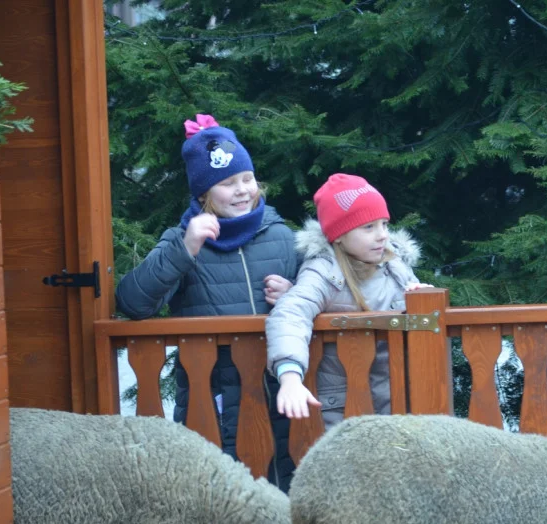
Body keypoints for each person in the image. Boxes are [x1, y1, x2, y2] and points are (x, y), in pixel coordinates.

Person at [116, 113, 298, 493]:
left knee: (286, 486)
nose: (242, 190)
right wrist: (186, 249)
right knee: (222, 500)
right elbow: (134, 303)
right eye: (227, 183)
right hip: (212, 399)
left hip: (282, 395)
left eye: (247, 179)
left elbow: (321, 296)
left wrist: (292, 292)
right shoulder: (181, 239)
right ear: (203, 195)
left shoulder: (281, 235)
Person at [265, 173, 431, 426]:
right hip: (345, 409)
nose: (382, 235)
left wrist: (421, 300)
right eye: (369, 227)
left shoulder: (394, 264)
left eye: (384, 224)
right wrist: (289, 376)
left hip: (399, 399)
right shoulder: (323, 271)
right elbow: (291, 313)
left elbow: (416, 317)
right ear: (339, 234)